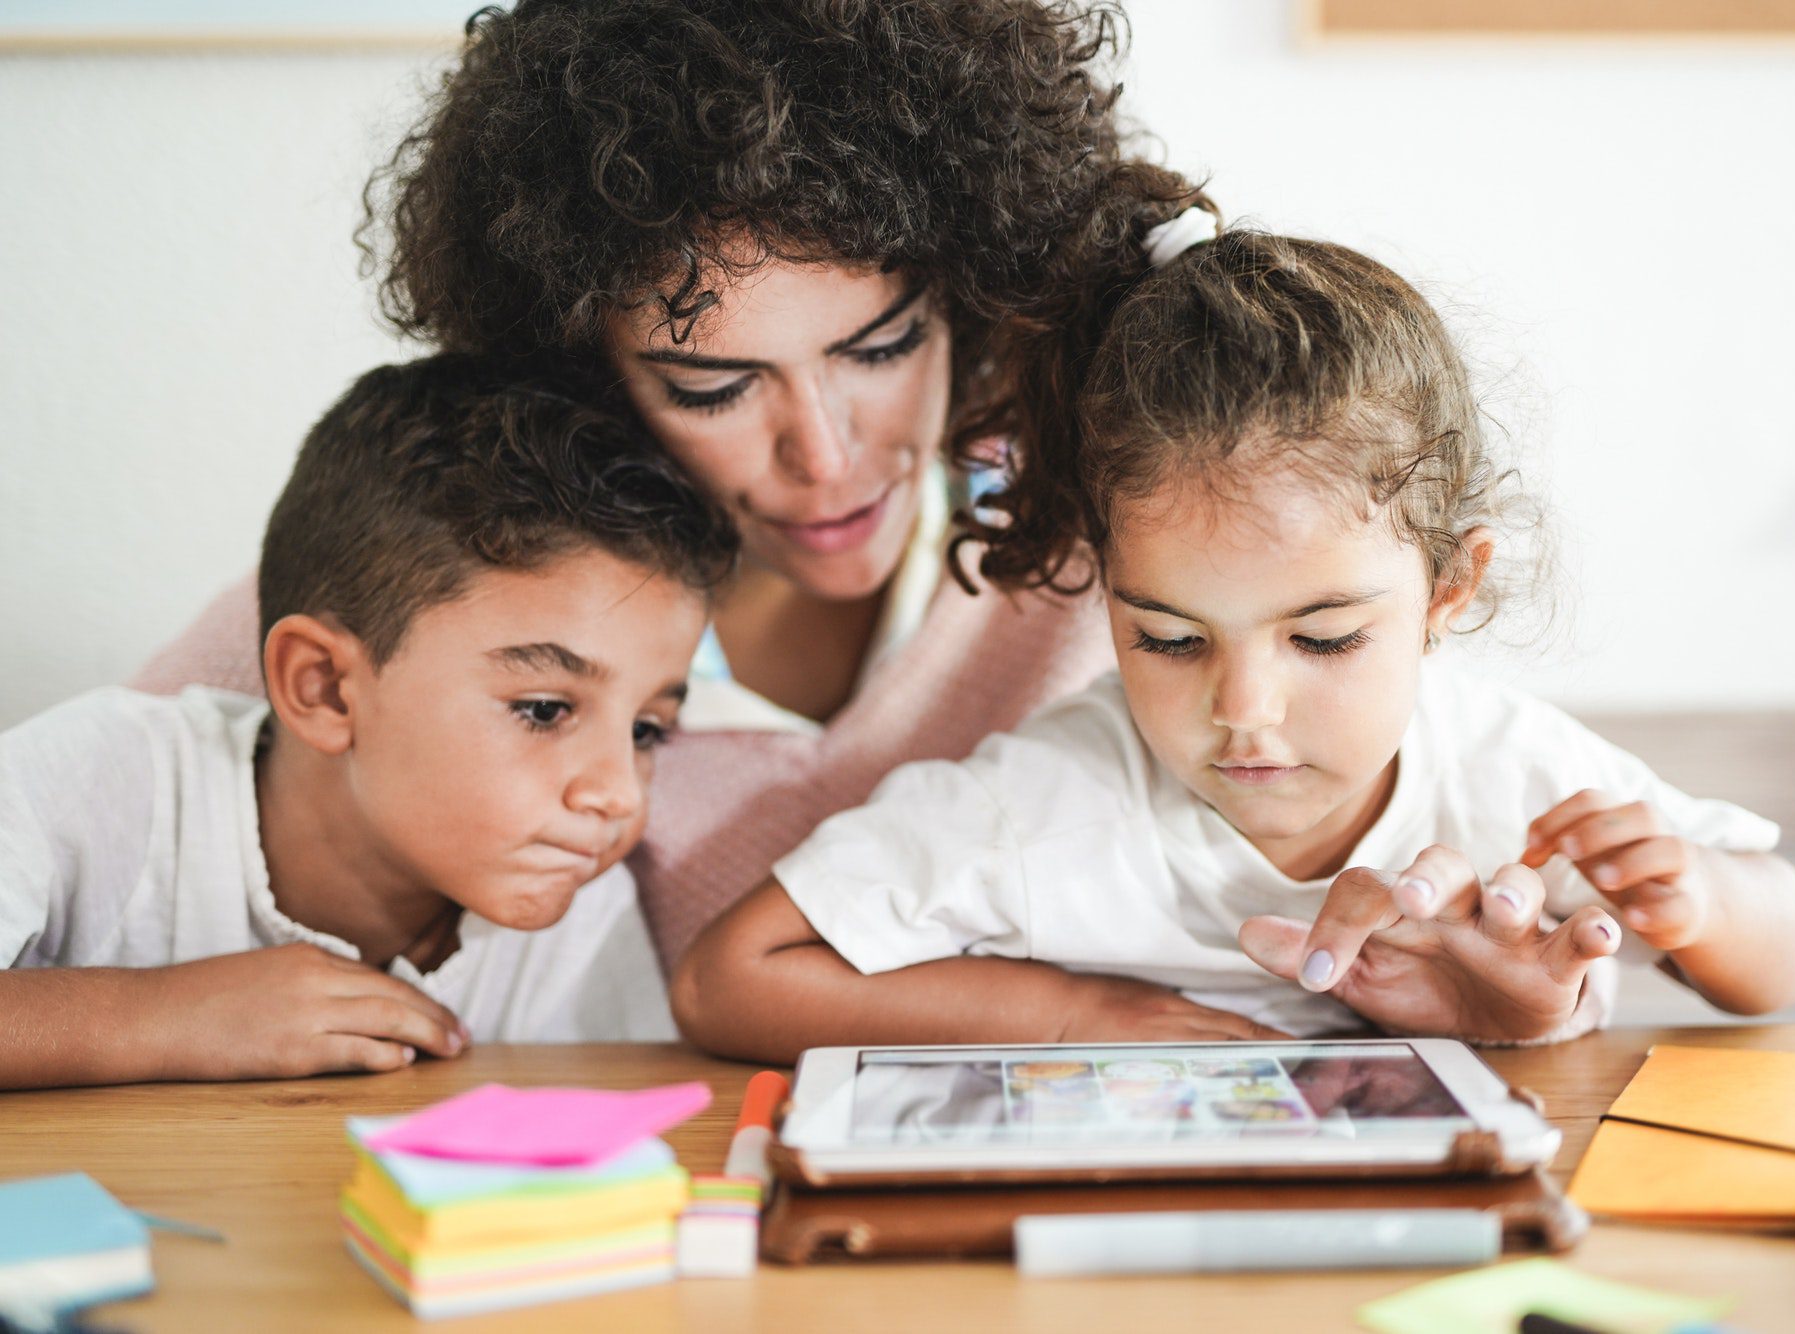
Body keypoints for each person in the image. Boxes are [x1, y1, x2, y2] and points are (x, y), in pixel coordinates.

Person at [127, 0, 1179, 989]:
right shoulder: (410, 608)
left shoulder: (1118, 529)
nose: (822, 454)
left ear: (970, 298)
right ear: (582, 367)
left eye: (882, 345)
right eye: (711, 386)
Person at [670, 224, 1795, 1062]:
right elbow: (726, 981)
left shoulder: (1512, 776)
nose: (1244, 708)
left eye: (1322, 638)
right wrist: (1087, 1015)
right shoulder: (1048, 797)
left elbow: (1784, 961)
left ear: (1446, 589)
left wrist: (1706, 901)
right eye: (1167, 637)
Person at [0, 356, 737, 1088]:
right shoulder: (106, 780)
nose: (617, 795)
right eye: (543, 710)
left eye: (646, 730)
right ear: (325, 689)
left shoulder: (579, 898)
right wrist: (159, 1017)